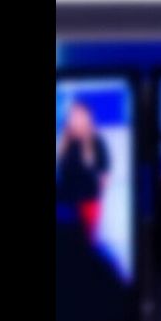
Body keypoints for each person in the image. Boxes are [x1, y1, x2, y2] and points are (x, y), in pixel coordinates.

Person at [55, 100, 109, 241]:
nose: (75, 119)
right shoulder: (66, 140)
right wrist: (64, 140)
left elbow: (103, 175)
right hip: (65, 202)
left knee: (86, 242)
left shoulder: (97, 142)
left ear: (88, 118)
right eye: (73, 116)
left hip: (87, 202)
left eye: (79, 115)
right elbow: (60, 167)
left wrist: (95, 196)